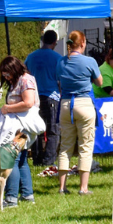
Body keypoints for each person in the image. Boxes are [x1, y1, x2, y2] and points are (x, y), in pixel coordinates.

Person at [55, 30, 103, 195]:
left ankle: (62, 187)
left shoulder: (61, 61)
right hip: (84, 103)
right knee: (85, 147)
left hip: (66, 104)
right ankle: (83, 188)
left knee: (65, 147)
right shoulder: (89, 61)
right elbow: (100, 81)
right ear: (83, 43)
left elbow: (59, 83)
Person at [0, 56, 37, 206]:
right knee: (21, 160)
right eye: (4, 75)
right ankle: (27, 195)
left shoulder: (26, 79)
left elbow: (28, 102)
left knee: (10, 160)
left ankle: (11, 198)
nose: (6, 78)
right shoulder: (17, 81)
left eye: (7, 74)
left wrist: (7, 108)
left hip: (21, 126)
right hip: (17, 126)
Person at [26, 29, 63, 175]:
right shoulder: (57, 58)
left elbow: (26, 73)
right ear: (54, 42)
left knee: (36, 129)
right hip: (51, 96)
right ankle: (48, 160)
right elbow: (60, 79)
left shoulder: (31, 56)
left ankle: (36, 157)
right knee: (52, 130)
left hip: (34, 96)